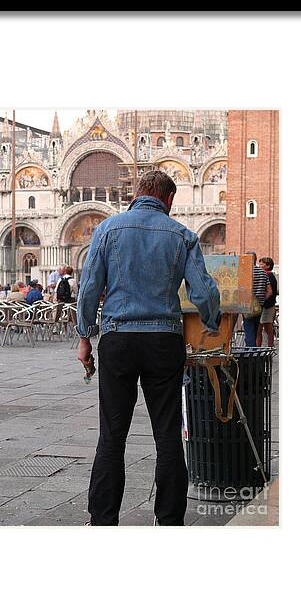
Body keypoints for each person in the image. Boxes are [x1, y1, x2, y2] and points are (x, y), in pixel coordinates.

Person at [76, 170, 221, 526]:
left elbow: (89, 287)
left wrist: (84, 336)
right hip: (163, 341)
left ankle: (103, 520)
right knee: (168, 436)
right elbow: (203, 291)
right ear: (168, 198)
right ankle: (169, 520)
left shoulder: (108, 229)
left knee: (111, 436)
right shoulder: (182, 235)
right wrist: (212, 321)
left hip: (118, 339)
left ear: (137, 193)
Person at [242, 252, 268, 347]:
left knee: (248, 329)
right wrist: (261, 300)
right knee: (255, 329)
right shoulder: (263, 272)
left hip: (246, 305)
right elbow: (269, 291)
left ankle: (250, 352)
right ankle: (253, 351)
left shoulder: (244, 272)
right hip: (259, 306)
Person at [257, 257, 278, 347]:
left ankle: (269, 346)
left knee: (267, 327)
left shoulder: (269, 276)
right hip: (266, 305)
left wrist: (263, 301)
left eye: (262, 264)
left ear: (268, 266)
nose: (259, 265)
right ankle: (262, 347)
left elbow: (270, 292)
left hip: (267, 306)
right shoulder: (267, 275)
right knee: (261, 328)